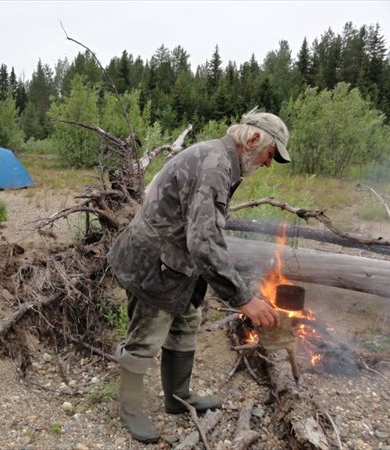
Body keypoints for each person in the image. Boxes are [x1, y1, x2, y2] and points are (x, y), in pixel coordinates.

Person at [107, 108, 291, 444]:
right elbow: (203, 240)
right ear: (253, 140)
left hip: (178, 264)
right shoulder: (215, 166)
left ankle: (178, 397)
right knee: (145, 338)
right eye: (270, 154)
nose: (268, 163)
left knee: (186, 323)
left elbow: (204, 232)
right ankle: (130, 409)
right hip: (153, 264)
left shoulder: (221, 161)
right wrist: (243, 299)